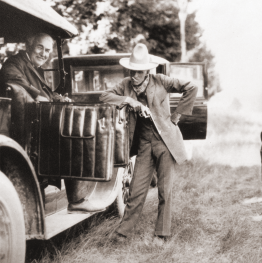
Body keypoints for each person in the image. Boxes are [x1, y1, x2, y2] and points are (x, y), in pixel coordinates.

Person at [100, 43, 197, 241]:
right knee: (136, 189)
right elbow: (104, 96)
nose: (135, 75)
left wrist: (177, 115)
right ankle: (122, 233)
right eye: (132, 71)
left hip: (165, 143)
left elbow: (191, 87)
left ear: (147, 71)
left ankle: (162, 234)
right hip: (144, 144)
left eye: (139, 72)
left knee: (164, 190)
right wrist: (130, 102)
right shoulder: (126, 85)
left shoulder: (161, 80)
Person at [0, 32, 103, 213]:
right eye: (40, 47)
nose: (44, 54)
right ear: (28, 44)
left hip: (35, 120)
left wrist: (58, 99)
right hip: (24, 124)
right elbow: (20, 86)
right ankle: (77, 200)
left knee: (75, 126)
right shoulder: (14, 63)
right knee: (73, 135)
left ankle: (78, 195)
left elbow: (44, 93)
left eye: (48, 50)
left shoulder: (34, 66)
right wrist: (42, 98)